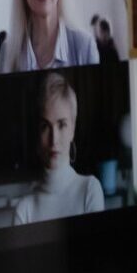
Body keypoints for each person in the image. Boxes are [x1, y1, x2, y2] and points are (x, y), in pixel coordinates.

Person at [10, 72, 103, 225]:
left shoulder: (89, 190)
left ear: (72, 130)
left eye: (62, 125)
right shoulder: (24, 209)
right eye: (45, 126)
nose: (54, 139)